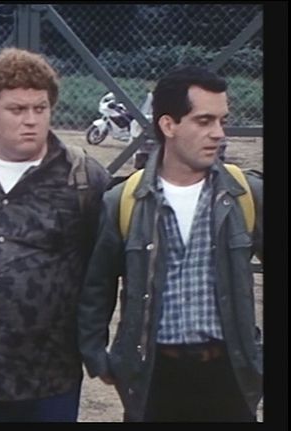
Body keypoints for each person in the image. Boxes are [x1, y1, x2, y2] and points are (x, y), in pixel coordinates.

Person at [0, 48, 111, 422]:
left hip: (49, 376)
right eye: (16, 109)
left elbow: (105, 272)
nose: (31, 120)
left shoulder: (83, 179)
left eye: (40, 108)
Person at [78, 65, 263, 422]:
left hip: (231, 376)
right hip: (153, 379)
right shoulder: (124, 200)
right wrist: (97, 356)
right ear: (168, 125)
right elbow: (96, 285)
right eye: (204, 121)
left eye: (222, 121)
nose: (219, 133)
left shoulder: (246, 193)